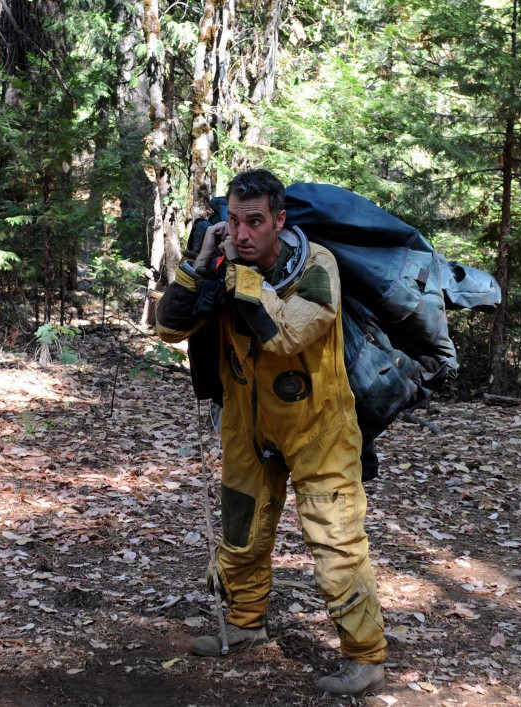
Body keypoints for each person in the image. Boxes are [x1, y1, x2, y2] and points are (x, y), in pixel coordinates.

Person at [155, 169, 387, 697]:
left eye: (254, 222)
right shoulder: (221, 263)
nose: (242, 234)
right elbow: (169, 327)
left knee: (336, 541)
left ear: (279, 222)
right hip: (246, 422)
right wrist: (199, 266)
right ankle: (244, 622)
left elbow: (285, 335)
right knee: (241, 526)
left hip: (319, 429)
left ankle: (365, 656)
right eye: (233, 222)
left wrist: (238, 278)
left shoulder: (315, 264)